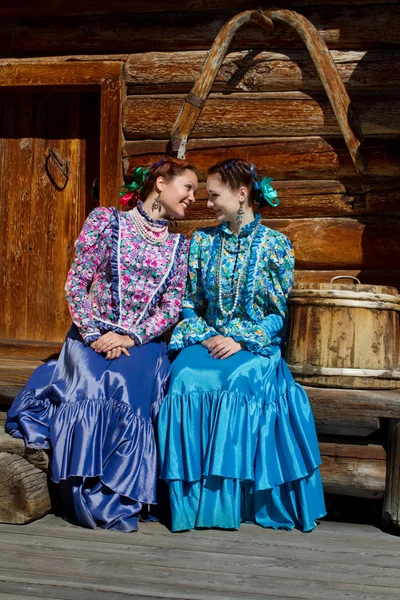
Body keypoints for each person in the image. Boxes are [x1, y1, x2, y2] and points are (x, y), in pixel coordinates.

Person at [6, 156, 198, 532]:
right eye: (188, 187)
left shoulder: (180, 246)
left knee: (126, 390)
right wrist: (94, 335)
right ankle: (78, 488)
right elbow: (77, 283)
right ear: (160, 183)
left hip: (142, 342)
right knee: (92, 386)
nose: (193, 197)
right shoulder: (106, 222)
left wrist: (133, 336)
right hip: (91, 335)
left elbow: (172, 305)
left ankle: (116, 496)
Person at [157, 158, 326, 532]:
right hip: (207, 339)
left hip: (251, 349)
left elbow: (277, 314)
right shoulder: (201, 241)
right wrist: (209, 335)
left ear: (242, 194)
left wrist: (240, 339)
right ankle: (190, 506)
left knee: (236, 380)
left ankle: (229, 503)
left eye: (215, 195)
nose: (208, 204)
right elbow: (188, 303)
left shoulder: (276, 246)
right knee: (185, 375)